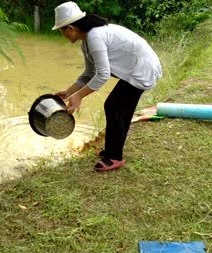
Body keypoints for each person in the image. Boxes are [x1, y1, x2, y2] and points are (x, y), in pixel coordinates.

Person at [52, 1, 162, 172]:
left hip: (141, 69)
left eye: (61, 31)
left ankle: (114, 156)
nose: (62, 35)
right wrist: (68, 92)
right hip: (133, 69)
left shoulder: (95, 37)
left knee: (114, 106)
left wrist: (79, 96)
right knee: (118, 108)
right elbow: (89, 73)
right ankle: (112, 151)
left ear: (71, 28)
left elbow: (103, 74)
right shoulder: (86, 41)